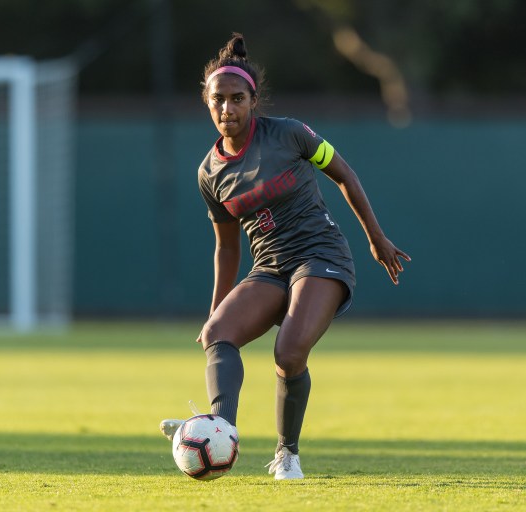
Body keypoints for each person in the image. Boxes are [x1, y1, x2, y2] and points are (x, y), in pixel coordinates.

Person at [160, 33, 410, 480]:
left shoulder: (291, 134)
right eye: (219, 100)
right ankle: (219, 430)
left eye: (237, 99)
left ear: (253, 100)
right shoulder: (209, 173)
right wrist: (216, 309)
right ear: (207, 103)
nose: (227, 109)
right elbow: (227, 246)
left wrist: (376, 238)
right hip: (271, 268)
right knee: (218, 333)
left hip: (321, 256)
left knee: (289, 352)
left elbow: (345, 176)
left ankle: (287, 453)